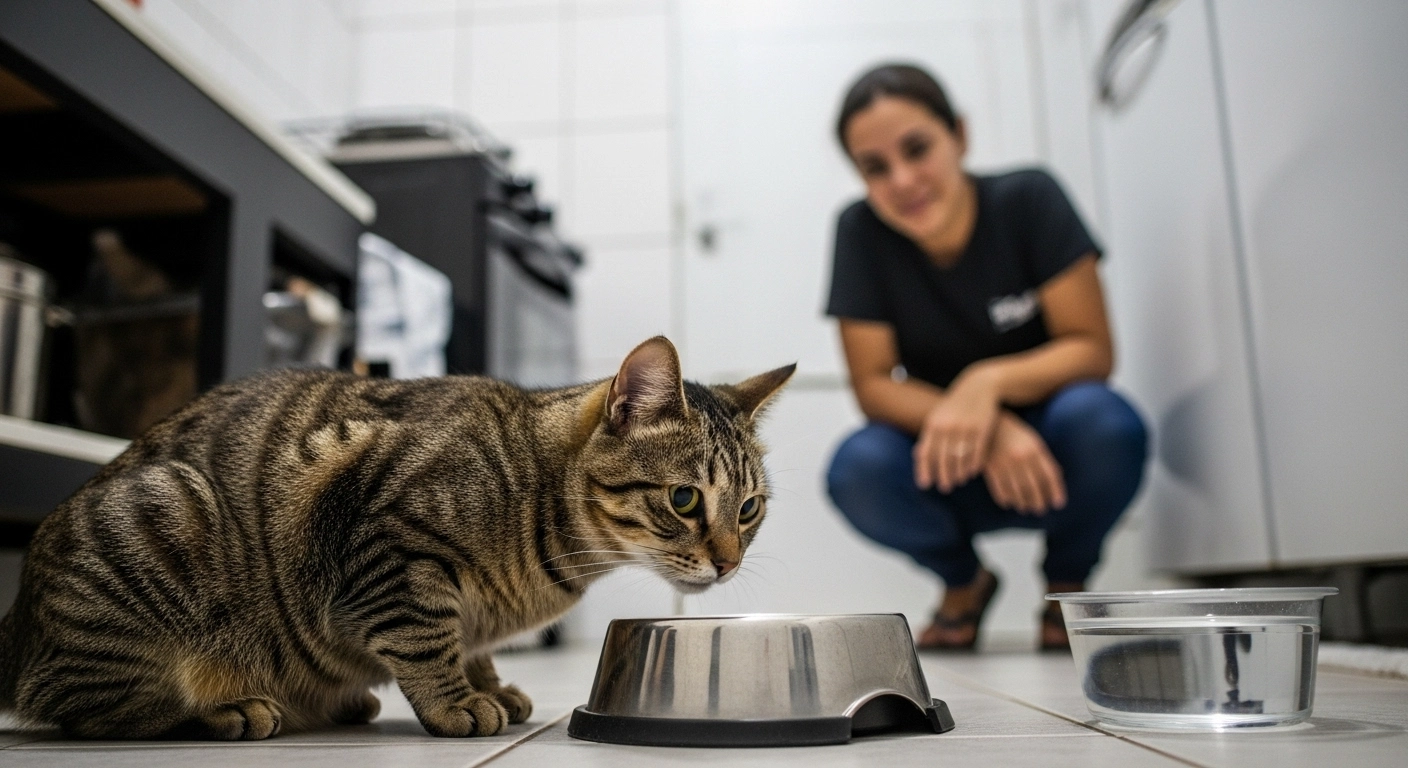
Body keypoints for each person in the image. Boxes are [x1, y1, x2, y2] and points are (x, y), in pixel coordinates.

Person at [824, 63, 1148, 651]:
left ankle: (1067, 584)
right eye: (875, 168)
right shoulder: (859, 233)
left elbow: (1092, 349)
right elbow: (872, 385)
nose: (901, 180)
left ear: (960, 136)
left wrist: (988, 382)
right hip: (949, 456)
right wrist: (986, 425)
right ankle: (964, 583)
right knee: (858, 468)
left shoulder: (1029, 198)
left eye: (917, 149)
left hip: (1053, 450)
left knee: (1106, 424)